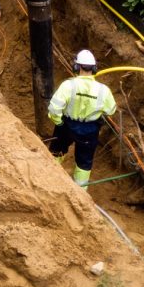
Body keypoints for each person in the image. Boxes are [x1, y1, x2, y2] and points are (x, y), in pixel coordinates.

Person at [48, 49, 118, 187]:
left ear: (76, 67)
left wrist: (59, 122)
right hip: (90, 129)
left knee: (57, 152)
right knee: (84, 162)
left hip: (67, 125)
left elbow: (54, 109)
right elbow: (111, 110)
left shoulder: (68, 85)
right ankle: (80, 192)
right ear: (95, 69)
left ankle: (50, 181)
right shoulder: (103, 90)